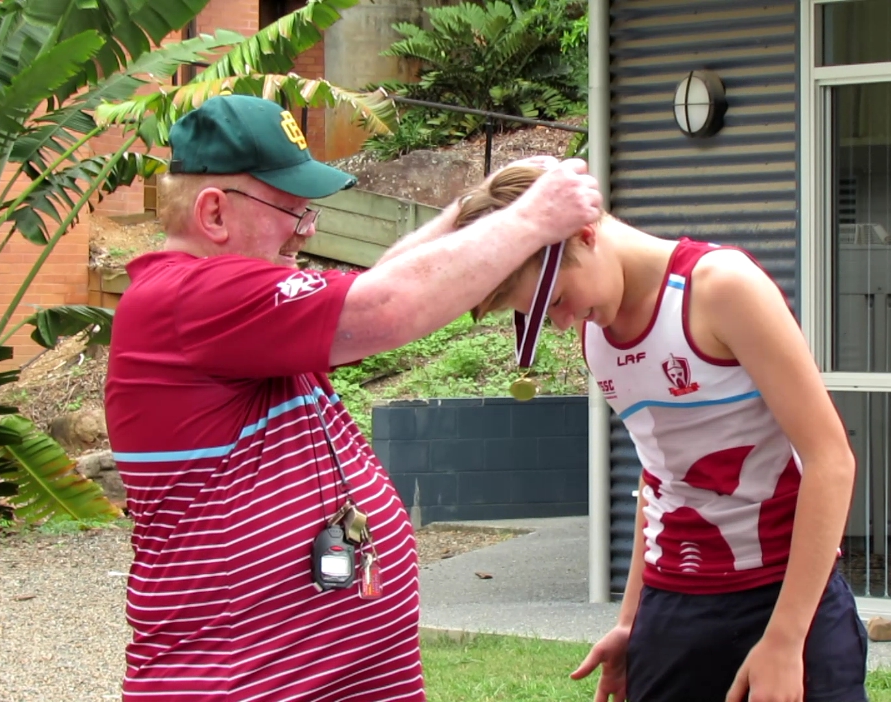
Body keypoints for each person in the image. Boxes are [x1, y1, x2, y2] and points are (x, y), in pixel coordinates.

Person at [103, 94, 603, 701]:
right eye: (294, 210)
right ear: (213, 213)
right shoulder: (191, 297)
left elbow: (373, 290)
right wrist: (533, 220)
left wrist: (477, 202)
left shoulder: (238, 313)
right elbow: (384, 309)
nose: (307, 230)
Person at [453, 166, 868, 702]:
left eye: (555, 301)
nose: (561, 322)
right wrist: (631, 622)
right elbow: (661, 475)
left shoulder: (721, 288)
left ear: (584, 234)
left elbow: (831, 459)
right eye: (536, 315)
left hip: (783, 603)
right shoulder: (597, 336)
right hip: (672, 612)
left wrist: (787, 640)